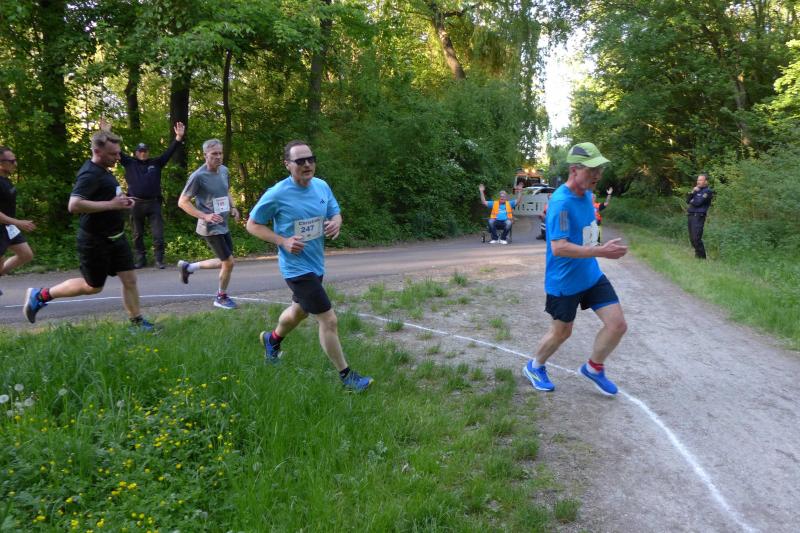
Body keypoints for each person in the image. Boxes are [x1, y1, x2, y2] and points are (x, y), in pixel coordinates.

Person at [246, 140, 373, 392]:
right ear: (287, 164)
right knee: (329, 319)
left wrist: (336, 223)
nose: (307, 164)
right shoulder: (277, 193)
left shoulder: (321, 186)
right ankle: (347, 376)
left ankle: (272, 340)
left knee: (299, 312)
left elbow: (336, 213)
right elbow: (252, 225)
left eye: (310, 159)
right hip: (296, 268)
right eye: (300, 161)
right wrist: (282, 241)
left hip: (316, 264)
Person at [522, 142, 628, 396]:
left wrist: (599, 248)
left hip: (590, 274)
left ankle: (593, 368)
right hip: (564, 281)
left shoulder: (588, 196)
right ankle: (534, 366)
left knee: (617, 325)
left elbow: (585, 235)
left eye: (599, 169)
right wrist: (601, 252)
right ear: (574, 170)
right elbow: (559, 247)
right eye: (592, 170)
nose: (597, 175)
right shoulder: (561, 203)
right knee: (562, 332)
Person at [22, 130, 156, 331]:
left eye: (118, 153)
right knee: (93, 287)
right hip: (95, 241)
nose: (118, 157)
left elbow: (106, 197)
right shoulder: (89, 174)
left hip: (116, 237)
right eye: (113, 154)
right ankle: (40, 295)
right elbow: (74, 205)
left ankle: (137, 324)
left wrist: (123, 201)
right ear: (97, 151)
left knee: (130, 279)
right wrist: (111, 205)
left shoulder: (104, 170)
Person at [176, 139, 240, 309]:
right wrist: (205, 216)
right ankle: (221, 297)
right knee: (228, 262)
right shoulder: (198, 176)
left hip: (223, 223)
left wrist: (233, 207)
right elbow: (182, 202)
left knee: (224, 261)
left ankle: (189, 267)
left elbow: (226, 191)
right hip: (210, 227)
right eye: (214, 154)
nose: (218, 157)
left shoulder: (224, 170)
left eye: (220, 153)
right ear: (205, 155)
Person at [115, 121, 186, 269]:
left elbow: (169, 152)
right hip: (135, 203)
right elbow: (117, 151)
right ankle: (141, 259)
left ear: (148, 152)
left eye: (145, 151)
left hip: (153, 203)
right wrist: (107, 134)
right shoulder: (129, 163)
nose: (143, 153)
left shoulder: (156, 162)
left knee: (158, 234)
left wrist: (178, 138)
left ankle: (159, 260)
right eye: (140, 151)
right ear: (136, 153)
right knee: (137, 234)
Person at [0, 147, 36, 295]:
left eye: (15, 160)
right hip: (3, 226)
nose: (15, 164)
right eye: (12, 161)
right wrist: (18, 222)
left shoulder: (6, 180)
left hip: (9, 227)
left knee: (26, 255)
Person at [686, 174, 713, 259]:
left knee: (696, 238)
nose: (698, 182)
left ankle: (702, 258)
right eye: (698, 180)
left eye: (701, 180)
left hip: (698, 216)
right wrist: (693, 192)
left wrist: (693, 200)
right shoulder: (696, 190)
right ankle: (698, 256)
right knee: (692, 239)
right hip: (691, 215)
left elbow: (698, 202)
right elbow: (687, 200)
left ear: (706, 182)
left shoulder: (707, 191)